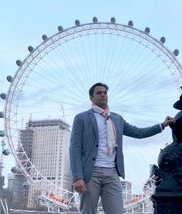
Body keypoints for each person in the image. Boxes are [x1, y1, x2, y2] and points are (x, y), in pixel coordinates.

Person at [69, 82, 175, 214]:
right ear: (91, 98)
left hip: (112, 173)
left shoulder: (117, 119)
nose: (103, 95)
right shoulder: (81, 118)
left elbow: (138, 132)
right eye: (99, 93)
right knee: (88, 211)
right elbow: (74, 148)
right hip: (90, 173)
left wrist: (162, 125)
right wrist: (77, 177)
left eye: (105, 92)